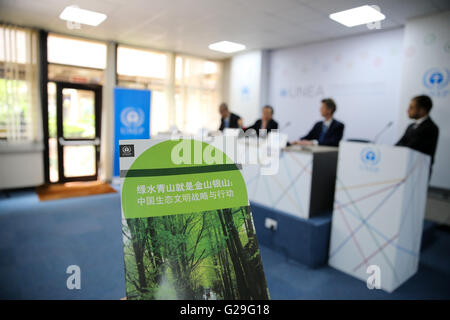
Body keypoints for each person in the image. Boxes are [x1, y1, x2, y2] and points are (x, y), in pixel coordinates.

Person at [396, 95, 439, 176]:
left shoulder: (431, 128)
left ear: (422, 110)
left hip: (419, 172)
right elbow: (400, 143)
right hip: (404, 169)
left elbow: (413, 147)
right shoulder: (411, 126)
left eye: (411, 108)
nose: (408, 110)